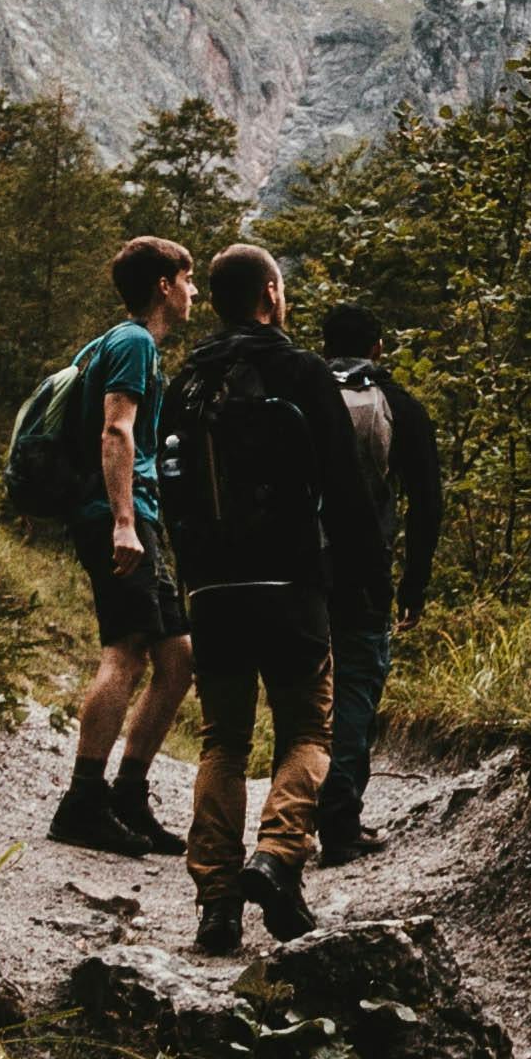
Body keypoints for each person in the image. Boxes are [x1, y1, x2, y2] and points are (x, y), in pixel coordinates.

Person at [160, 238, 387, 956]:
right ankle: (279, 857)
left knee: (223, 741)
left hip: (213, 588)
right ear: (269, 296)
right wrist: (364, 579)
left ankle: (217, 905)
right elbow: (346, 490)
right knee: (307, 734)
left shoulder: (188, 379)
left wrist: (192, 572)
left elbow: (168, 486)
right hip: (293, 584)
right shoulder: (300, 370)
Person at [43, 238, 199, 857]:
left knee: (179, 657)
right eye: (188, 280)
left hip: (137, 514)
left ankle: (127, 796)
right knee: (127, 649)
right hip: (119, 515)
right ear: (163, 284)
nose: (194, 293)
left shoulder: (121, 343)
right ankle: (82, 801)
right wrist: (124, 522)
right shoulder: (133, 342)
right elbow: (117, 429)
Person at [312, 305, 451, 860]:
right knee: (355, 690)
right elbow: (428, 506)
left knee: (302, 693)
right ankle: (340, 823)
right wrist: (415, 584)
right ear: (378, 347)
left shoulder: (303, 394)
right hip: (363, 573)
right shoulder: (400, 405)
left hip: (294, 568)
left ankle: (287, 817)